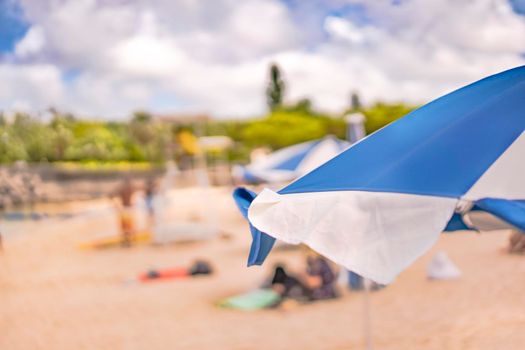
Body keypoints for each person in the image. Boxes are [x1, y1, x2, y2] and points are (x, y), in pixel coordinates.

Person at [115, 177, 135, 246]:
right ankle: (129, 241)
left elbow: (111, 195)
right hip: (128, 209)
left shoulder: (122, 189)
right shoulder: (130, 189)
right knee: (128, 226)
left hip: (123, 208)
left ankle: (125, 241)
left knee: (124, 227)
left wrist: (116, 205)